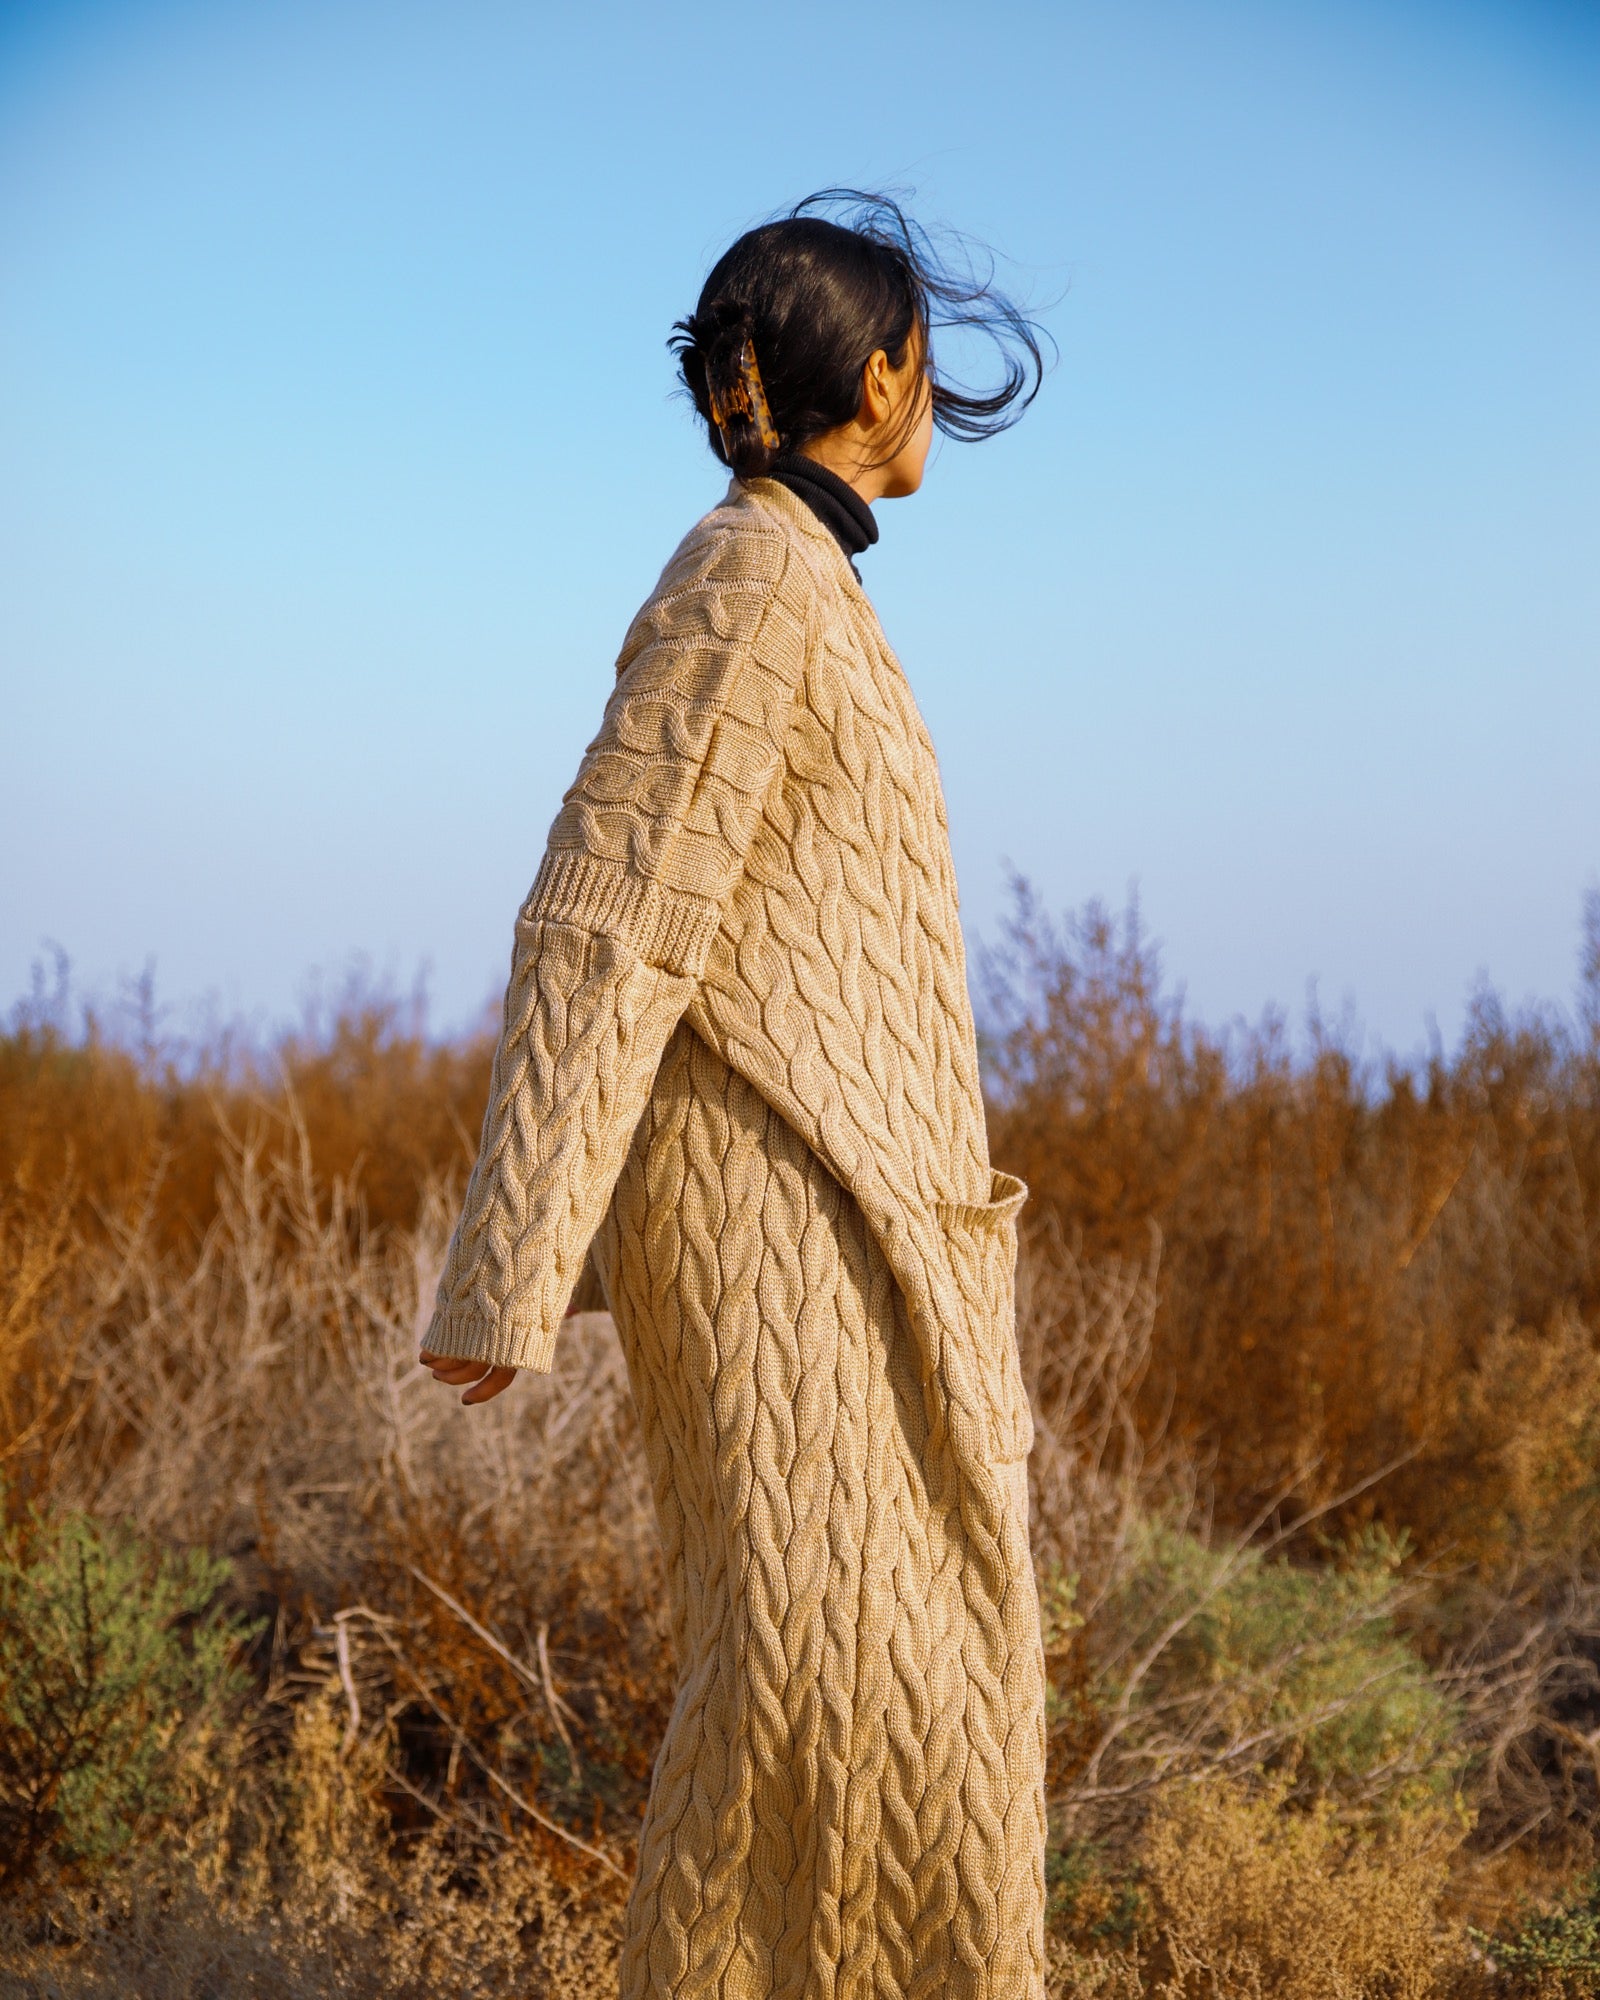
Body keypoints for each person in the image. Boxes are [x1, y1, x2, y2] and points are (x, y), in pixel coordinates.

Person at [420, 189, 1049, 2000]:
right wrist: (510, 1263)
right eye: (925, 369)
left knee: (890, 1680)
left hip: (861, 1215)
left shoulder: (805, 580)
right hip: (774, 1208)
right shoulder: (750, 575)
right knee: (834, 1676)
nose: (935, 404)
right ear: (876, 374)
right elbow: (604, 919)